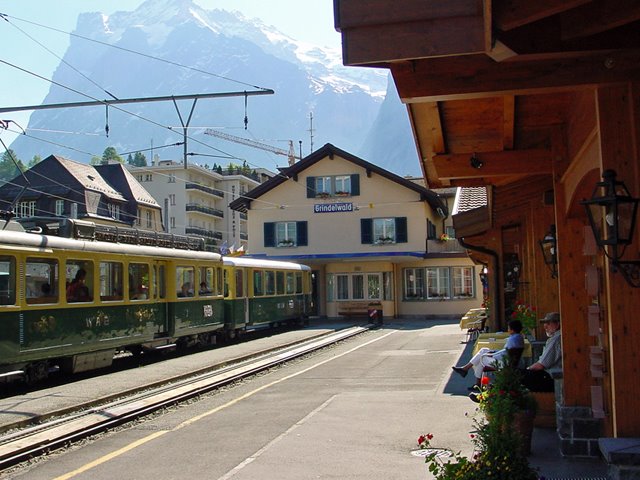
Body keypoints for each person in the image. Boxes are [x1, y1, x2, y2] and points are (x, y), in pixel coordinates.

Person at [452, 319, 525, 390]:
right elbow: (506, 351)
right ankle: (467, 371)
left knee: (481, 359)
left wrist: (492, 355)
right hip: (509, 361)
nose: (508, 329)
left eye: (508, 328)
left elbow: (505, 353)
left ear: (512, 330)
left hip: (504, 363)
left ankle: (473, 378)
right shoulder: (519, 337)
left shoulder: (512, 339)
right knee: (483, 350)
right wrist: (493, 352)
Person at [520, 311, 562, 392]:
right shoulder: (557, 337)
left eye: (548, 323)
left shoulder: (556, 339)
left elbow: (541, 365)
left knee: (519, 375)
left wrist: (527, 369)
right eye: (545, 323)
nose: (545, 326)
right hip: (552, 375)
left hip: (552, 377)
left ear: (557, 324)